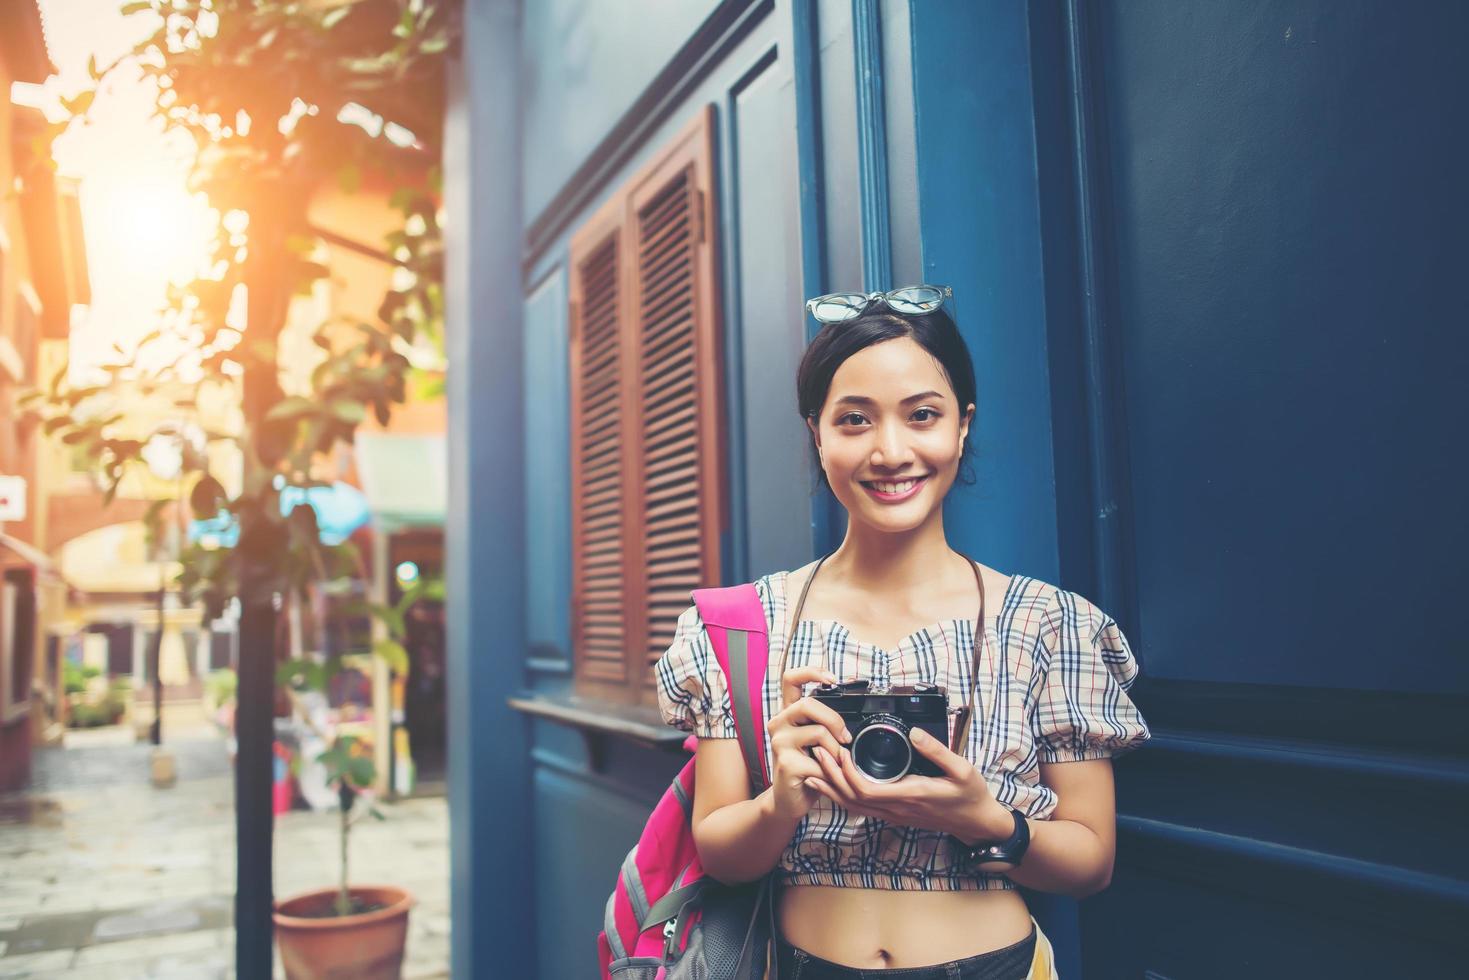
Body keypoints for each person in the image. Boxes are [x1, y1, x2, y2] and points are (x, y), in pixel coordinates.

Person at [653, 286, 1152, 979]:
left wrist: (982, 817)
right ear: (815, 433)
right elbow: (721, 853)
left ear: (961, 426)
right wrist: (782, 801)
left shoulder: (1048, 625)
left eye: (921, 416)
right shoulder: (740, 627)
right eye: (854, 420)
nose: (891, 451)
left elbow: (1089, 864)